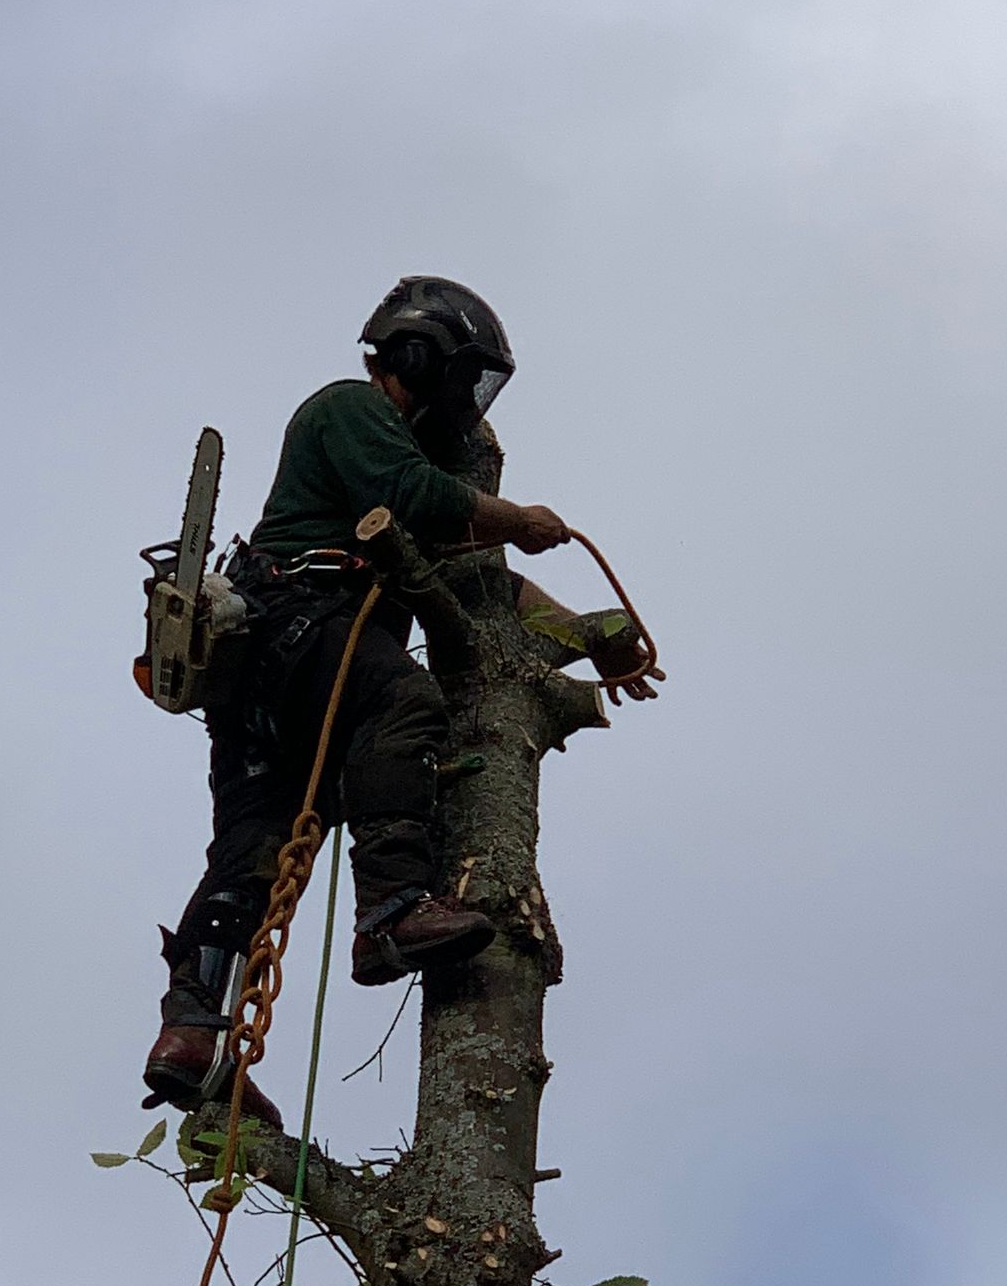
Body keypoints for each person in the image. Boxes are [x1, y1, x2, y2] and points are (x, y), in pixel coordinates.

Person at [143, 276, 652, 1126]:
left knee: (253, 851)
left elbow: (482, 581)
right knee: (404, 704)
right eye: (469, 377)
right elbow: (420, 502)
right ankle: (390, 912)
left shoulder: (405, 466)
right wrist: (515, 515)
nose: (470, 401)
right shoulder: (347, 410)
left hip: (275, 673)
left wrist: (593, 633)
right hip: (297, 619)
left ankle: (194, 1038)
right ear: (424, 355)